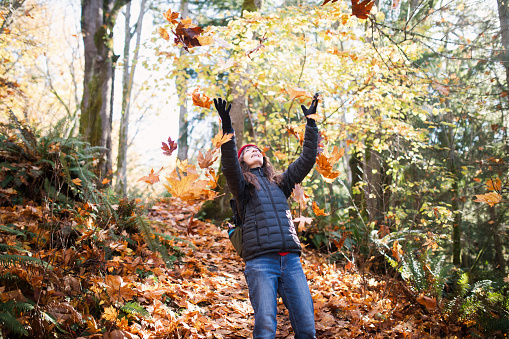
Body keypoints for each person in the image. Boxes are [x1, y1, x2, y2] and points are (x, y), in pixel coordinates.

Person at [213, 95, 319, 339]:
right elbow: (228, 164)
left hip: (291, 261)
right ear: (243, 161)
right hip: (261, 262)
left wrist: (311, 123)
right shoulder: (242, 187)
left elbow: (307, 160)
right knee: (265, 329)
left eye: (257, 150)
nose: (254, 151)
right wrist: (227, 127)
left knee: (307, 328)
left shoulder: (280, 182)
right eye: (248, 151)